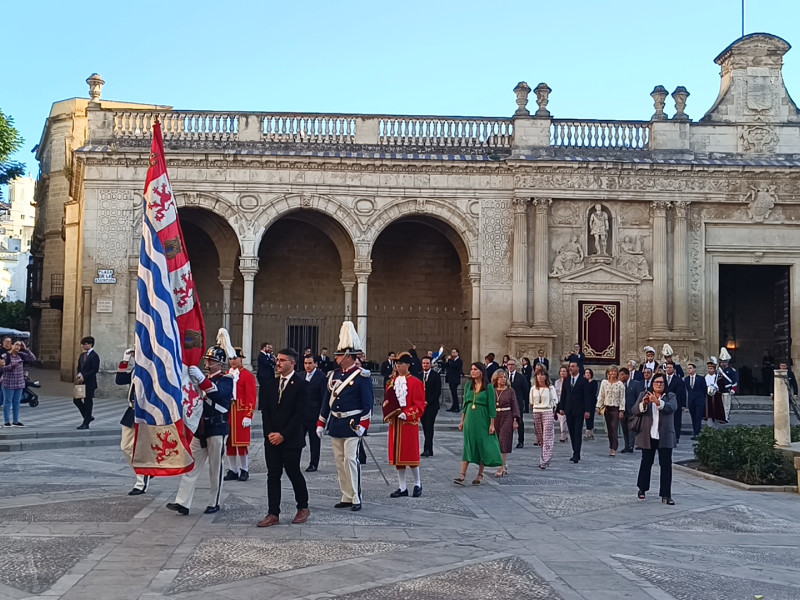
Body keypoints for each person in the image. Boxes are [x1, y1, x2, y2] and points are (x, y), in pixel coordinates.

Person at [167, 334, 234, 516]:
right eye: (208, 360)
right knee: (191, 465)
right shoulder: (200, 380)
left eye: (212, 360)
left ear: (220, 363)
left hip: (217, 428)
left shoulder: (227, 380)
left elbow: (217, 395)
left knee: (215, 468)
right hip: (200, 428)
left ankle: (214, 501)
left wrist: (201, 381)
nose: (208, 363)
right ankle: (183, 502)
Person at [317, 321, 373, 512]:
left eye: (340, 355)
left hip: (352, 423)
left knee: (351, 460)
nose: (337, 358)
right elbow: (327, 401)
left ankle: (357, 497)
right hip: (336, 422)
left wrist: (364, 424)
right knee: (340, 461)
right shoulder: (333, 375)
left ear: (348, 356)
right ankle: (346, 495)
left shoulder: (361, 376)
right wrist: (321, 422)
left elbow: (368, 403)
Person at [256, 348, 310, 527]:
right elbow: (266, 411)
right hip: (272, 438)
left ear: (292, 363)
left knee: (293, 472)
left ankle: (303, 507)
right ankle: (273, 513)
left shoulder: (301, 384)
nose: (278, 363)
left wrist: (283, 435)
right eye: (277, 359)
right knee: (273, 475)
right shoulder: (271, 384)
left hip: (291, 438)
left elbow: (300, 413)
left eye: (282, 360)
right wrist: (270, 433)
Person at [383, 352, 426, 497]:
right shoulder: (392, 382)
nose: (398, 366)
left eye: (400, 363)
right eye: (396, 364)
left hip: (408, 424)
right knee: (397, 457)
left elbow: (420, 405)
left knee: (411, 456)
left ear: (407, 365)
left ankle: (417, 483)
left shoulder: (416, 383)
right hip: (395, 423)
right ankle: (402, 487)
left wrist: (407, 413)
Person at [454, 362, 502, 485]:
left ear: (481, 371)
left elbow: (492, 407)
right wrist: (462, 420)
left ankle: (480, 474)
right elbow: (465, 404)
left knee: (482, 445)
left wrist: (492, 424)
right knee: (468, 444)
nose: (472, 371)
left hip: (483, 418)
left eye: (475, 369)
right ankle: (462, 474)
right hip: (470, 417)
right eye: (471, 369)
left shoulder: (489, 387)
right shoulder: (469, 385)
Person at [633, 373, 678, 505]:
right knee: (646, 462)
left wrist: (657, 402)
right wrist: (644, 404)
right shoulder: (644, 394)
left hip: (664, 436)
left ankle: (666, 494)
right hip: (649, 435)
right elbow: (635, 410)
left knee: (666, 465)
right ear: (652, 384)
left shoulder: (671, 396)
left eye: (661, 382)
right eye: (656, 382)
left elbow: (671, 408)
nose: (659, 384)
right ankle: (642, 488)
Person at [115, 348, 151, 495]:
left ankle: (141, 481)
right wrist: (125, 361)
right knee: (125, 446)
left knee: (141, 449)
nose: (136, 355)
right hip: (131, 410)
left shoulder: (150, 370)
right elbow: (120, 380)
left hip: (145, 412)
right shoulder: (136, 369)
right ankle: (143, 472)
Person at [223, 348, 257, 482]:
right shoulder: (227, 374)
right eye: (230, 359)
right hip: (228, 411)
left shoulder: (247, 375)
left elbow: (251, 396)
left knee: (242, 443)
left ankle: (245, 469)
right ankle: (233, 470)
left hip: (241, 411)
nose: (232, 361)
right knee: (229, 443)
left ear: (241, 358)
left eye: (235, 358)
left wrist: (248, 415)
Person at [557, 361, 593, 463]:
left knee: (577, 432)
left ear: (578, 368)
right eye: (570, 366)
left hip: (579, 410)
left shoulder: (583, 380)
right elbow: (563, 395)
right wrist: (561, 407)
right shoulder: (567, 380)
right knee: (571, 432)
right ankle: (574, 450)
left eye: (573, 366)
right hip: (569, 410)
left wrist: (587, 410)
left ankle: (577, 453)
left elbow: (587, 397)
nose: (570, 368)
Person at [1, 340, 36, 427]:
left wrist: (26, 349)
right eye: (16, 345)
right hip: (8, 382)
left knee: (16, 402)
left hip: (19, 382)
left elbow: (33, 358)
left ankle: (16, 421)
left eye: (20, 346)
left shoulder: (21, 355)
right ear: (12, 345)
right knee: (8, 401)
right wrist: (12, 366)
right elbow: (1, 369)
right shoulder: (5, 356)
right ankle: (7, 421)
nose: (18, 347)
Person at [492, 369, 520, 477]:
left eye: (504, 377)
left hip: (507, 416)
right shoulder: (492, 390)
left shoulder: (510, 391)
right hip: (495, 417)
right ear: (496, 378)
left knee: (503, 440)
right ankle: (503, 464)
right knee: (496, 441)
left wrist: (515, 420)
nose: (503, 379)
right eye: (500, 377)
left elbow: (515, 405)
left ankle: (500, 467)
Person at [302, 355, 327, 472]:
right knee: (297, 440)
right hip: (301, 415)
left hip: (314, 415)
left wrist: (322, 417)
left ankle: (314, 463)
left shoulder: (321, 378)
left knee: (314, 441)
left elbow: (324, 399)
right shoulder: (301, 376)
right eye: (305, 363)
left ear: (316, 364)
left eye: (310, 363)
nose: (307, 365)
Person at [530, 369, 558, 469]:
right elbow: (531, 402)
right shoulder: (533, 388)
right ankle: (543, 457)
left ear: (546, 377)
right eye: (538, 375)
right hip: (536, 411)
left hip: (547, 411)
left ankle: (545, 460)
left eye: (542, 375)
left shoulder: (550, 388)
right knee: (541, 436)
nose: (540, 377)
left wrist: (553, 409)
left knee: (547, 436)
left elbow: (555, 400)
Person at [596, 366, 625, 456]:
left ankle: (614, 448)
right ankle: (611, 445)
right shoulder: (604, 383)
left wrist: (621, 410)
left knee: (614, 428)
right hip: (607, 408)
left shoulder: (620, 384)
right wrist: (598, 406)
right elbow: (601, 395)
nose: (613, 373)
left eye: (615, 372)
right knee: (609, 429)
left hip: (615, 408)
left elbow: (622, 398)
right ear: (608, 373)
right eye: (611, 371)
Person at [74, 336, 100, 430]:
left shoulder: (94, 356)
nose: (83, 346)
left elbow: (94, 369)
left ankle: (86, 423)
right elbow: (79, 367)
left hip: (90, 382)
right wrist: (79, 374)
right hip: (81, 382)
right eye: (83, 344)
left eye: (85, 344)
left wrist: (85, 376)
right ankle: (88, 416)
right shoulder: (82, 355)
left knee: (88, 401)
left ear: (90, 344)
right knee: (76, 400)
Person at [619, 367, 644, 453]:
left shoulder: (636, 384)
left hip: (632, 411)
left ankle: (631, 446)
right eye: (620, 375)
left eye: (622, 375)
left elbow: (639, 397)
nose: (621, 377)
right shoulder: (620, 385)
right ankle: (626, 445)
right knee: (625, 429)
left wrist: (637, 409)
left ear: (627, 375)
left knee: (631, 429)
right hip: (623, 411)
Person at [420, 356, 441, 457]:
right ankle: (428, 449)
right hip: (421, 406)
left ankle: (427, 449)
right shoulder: (419, 375)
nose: (425, 365)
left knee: (429, 426)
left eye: (427, 363)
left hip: (432, 406)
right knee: (424, 427)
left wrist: (428, 402)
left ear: (430, 364)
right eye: (424, 363)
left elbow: (437, 392)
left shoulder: (436, 376)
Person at [507, 358, 531, 445]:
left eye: (512, 365)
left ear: (515, 366)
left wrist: (525, 403)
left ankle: (521, 441)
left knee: (519, 421)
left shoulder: (521, 377)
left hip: (518, 403)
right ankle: (507, 441)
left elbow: (525, 391)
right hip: (506, 403)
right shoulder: (504, 376)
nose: (510, 366)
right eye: (509, 365)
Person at [665, 362, 687, 444]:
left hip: (676, 403)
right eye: (667, 367)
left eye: (670, 367)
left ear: (674, 369)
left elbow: (682, 393)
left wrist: (684, 404)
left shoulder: (678, 380)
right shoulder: (662, 378)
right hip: (664, 403)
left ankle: (676, 437)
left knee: (676, 421)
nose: (668, 369)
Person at [684, 363, 706, 440]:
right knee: (693, 417)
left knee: (698, 417)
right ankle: (695, 432)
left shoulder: (701, 378)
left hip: (699, 401)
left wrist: (702, 399)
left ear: (694, 369)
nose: (689, 370)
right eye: (688, 368)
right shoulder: (686, 379)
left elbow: (704, 390)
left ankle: (698, 432)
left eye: (690, 368)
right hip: (691, 401)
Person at [704, 358, 727, 425]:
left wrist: (717, 387)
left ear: (714, 369)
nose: (709, 370)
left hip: (716, 396)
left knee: (716, 411)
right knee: (708, 412)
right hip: (708, 397)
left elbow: (722, 387)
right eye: (708, 368)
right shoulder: (705, 377)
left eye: (711, 368)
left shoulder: (718, 377)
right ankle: (709, 424)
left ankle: (716, 424)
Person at [718, 348, 738, 421]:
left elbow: (735, 381)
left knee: (726, 404)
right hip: (720, 389)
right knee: (720, 404)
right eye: (721, 362)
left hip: (727, 389)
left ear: (727, 362)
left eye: (724, 362)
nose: (723, 363)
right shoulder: (719, 370)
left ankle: (725, 417)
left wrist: (733, 389)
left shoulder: (731, 370)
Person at [257, 342, 276, 411]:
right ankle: (262, 405)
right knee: (264, 391)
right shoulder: (261, 355)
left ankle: (265, 404)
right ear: (264, 348)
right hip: (263, 376)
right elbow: (267, 363)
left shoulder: (268, 355)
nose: (269, 349)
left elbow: (273, 362)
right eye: (268, 347)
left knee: (267, 390)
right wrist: (272, 363)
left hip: (269, 375)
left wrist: (272, 362)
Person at [553, 366, 570, 443]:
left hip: (567, 402)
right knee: (561, 419)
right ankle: (564, 434)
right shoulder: (557, 382)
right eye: (561, 371)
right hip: (559, 402)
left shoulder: (569, 381)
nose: (562, 373)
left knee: (564, 419)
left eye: (564, 371)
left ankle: (563, 434)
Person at [583, 368, 599, 440]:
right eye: (586, 373)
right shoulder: (583, 382)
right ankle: (590, 432)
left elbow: (594, 392)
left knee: (591, 416)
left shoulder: (594, 382)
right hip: (584, 401)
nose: (588, 374)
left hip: (592, 401)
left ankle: (589, 432)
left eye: (589, 373)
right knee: (586, 417)